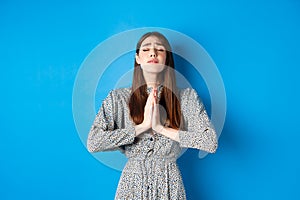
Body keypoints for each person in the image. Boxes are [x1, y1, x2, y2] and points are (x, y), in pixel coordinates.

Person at [87, 32, 218, 200]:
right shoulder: (117, 98)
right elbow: (94, 142)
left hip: (169, 183)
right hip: (131, 185)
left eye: (160, 49)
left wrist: (161, 129)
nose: (153, 53)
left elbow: (210, 142)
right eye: (146, 49)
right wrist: (142, 127)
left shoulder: (187, 97)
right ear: (138, 58)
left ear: (167, 58)